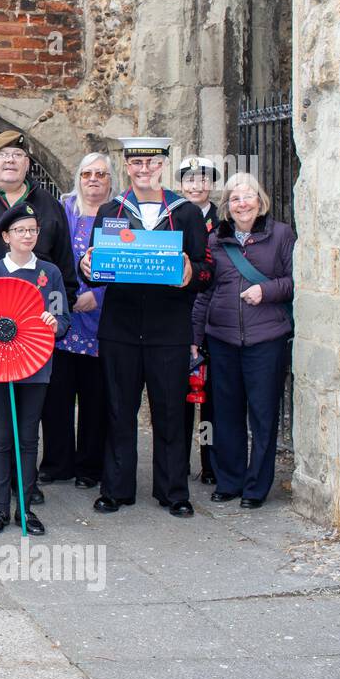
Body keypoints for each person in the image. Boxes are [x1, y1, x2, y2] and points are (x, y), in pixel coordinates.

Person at [79, 136, 213, 518]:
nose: (143, 169)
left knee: (170, 411)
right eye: (136, 162)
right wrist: (84, 269)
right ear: (126, 165)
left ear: (162, 165)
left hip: (168, 330)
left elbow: (206, 272)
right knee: (118, 409)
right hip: (119, 327)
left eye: (151, 163)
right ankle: (116, 489)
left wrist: (191, 274)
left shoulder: (185, 212)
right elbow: (92, 267)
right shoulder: (110, 210)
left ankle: (173, 491)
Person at [0, 130, 77, 507]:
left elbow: (63, 261)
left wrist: (62, 310)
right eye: (1, 155)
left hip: (34, 327)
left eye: (17, 156)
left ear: (28, 164)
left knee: (30, 409)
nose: (10, 161)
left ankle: (26, 481)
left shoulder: (49, 204)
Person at [192, 172, 295, 508]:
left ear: (260, 200)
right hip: (222, 338)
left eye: (247, 196)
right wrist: (195, 338)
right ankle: (229, 480)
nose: (241, 203)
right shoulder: (216, 241)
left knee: (263, 415)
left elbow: (295, 282)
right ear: (227, 207)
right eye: (234, 199)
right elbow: (205, 293)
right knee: (225, 414)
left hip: (266, 338)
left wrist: (265, 291)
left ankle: (256, 487)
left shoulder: (280, 235)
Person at [0, 203, 70, 535]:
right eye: (20, 230)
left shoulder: (50, 273)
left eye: (32, 230)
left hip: (36, 366)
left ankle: (25, 508)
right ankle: (1, 508)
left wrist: (52, 320)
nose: (28, 235)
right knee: (1, 434)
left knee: (28, 437)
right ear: (6, 236)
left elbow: (62, 320)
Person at [39, 152, 115, 490]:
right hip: (61, 312)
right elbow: (47, 256)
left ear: (110, 180)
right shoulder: (62, 209)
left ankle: (90, 466)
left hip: (103, 317)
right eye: (87, 174)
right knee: (56, 395)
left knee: (95, 397)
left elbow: (129, 266)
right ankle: (57, 463)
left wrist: (97, 296)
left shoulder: (119, 214)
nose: (94, 179)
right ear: (78, 177)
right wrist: (66, 300)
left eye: (101, 173)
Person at [179, 155, 221, 485]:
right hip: (180, 316)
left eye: (204, 179)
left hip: (212, 319)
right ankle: (179, 461)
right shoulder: (173, 218)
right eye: (191, 179)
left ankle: (209, 463)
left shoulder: (223, 224)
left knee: (210, 403)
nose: (197, 185)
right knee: (178, 398)